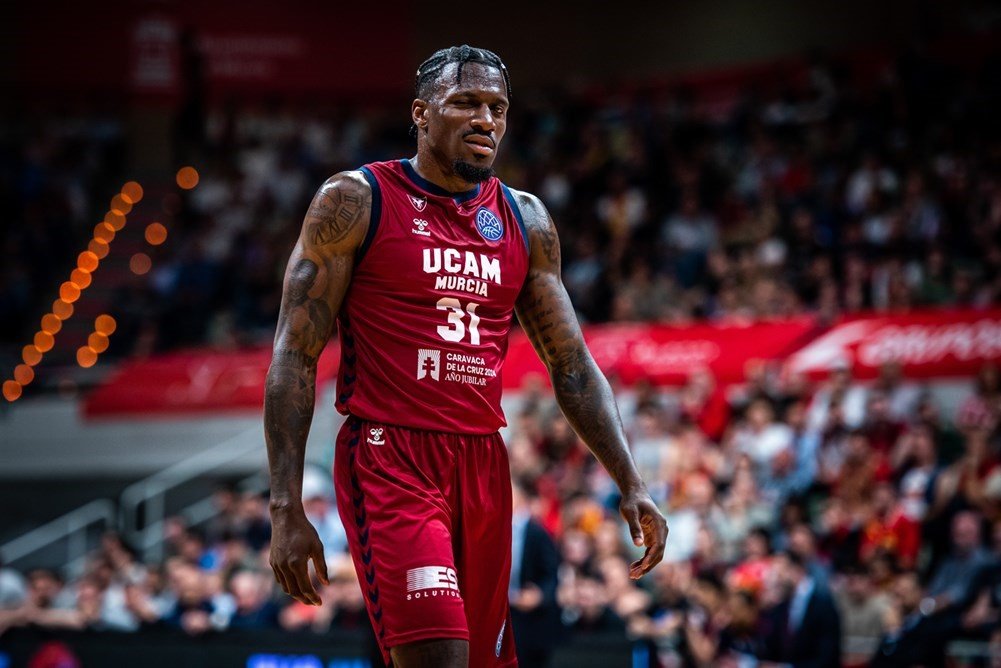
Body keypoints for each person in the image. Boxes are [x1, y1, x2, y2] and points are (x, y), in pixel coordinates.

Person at [263, 45, 668, 668]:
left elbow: (573, 365)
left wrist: (631, 482)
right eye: (466, 104)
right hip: (391, 456)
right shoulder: (355, 200)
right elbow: (294, 353)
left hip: (482, 462)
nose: (486, 120)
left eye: (497, 108)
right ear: (422, 114)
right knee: (440, 654)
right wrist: (286, 507)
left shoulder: (525, 219)